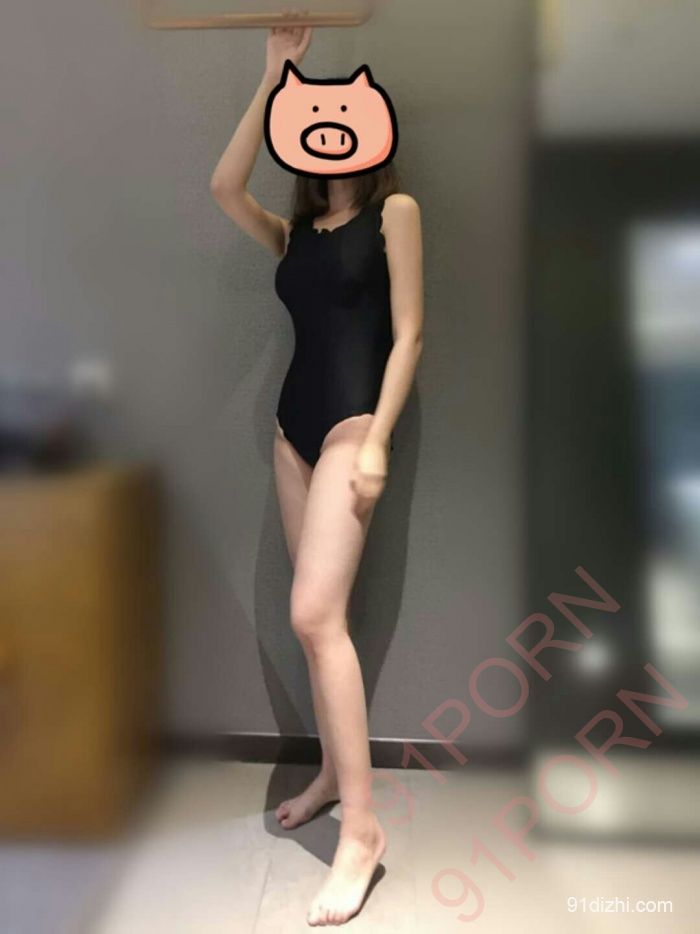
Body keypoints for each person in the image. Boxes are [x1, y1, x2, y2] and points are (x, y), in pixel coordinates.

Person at [210, 16, 423, 928]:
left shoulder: (395, 215)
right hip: (290, 432)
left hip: (349, 429)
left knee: (313, 616)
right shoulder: (295, 234)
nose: (326, 133)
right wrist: (271, 79)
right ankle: (335, 775)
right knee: (317, 626)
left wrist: (377, 441)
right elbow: (223, 186)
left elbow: (410, 333)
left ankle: (362, 832)